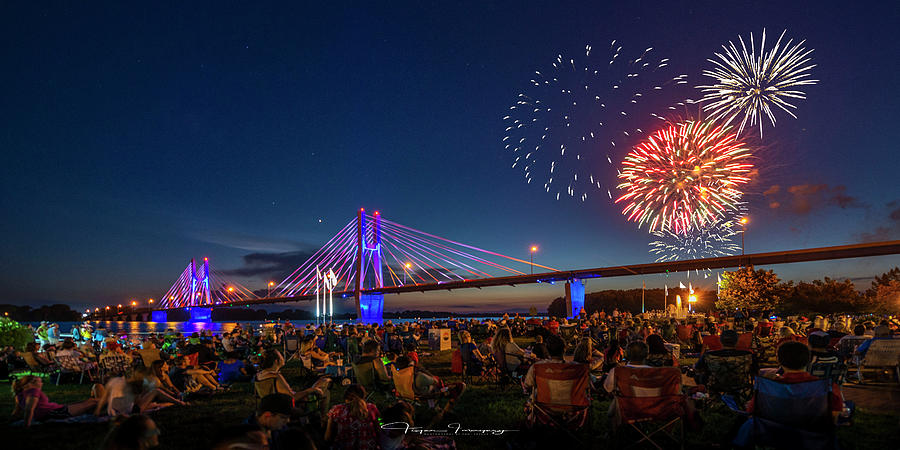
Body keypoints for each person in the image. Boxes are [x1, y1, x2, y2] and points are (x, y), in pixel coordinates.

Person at [750, 341, 845, 423]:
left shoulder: (768, 386)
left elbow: (752, 411)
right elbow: (834, 416)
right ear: (808, 359)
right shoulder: (827, 386)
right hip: (813, 439)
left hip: (774, 437)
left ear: (779, 360)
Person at [12, 375, 102, 427]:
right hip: (55, 413)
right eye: (40, 381)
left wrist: (13, 419)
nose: (42, 383)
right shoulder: (33, 391)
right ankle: (110, 404)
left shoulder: (19, 394)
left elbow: (17, 410)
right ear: (31, 383)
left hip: (57, 409)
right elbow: (29, 409)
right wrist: (26, 425)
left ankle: (104, 402)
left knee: (90, 401)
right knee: (94, 402)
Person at [324, 384, 381, 450]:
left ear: (345, 397)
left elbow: (327, 437)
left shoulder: (336, 410)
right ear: (363, 396)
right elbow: (378, 430)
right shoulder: (371, 408)